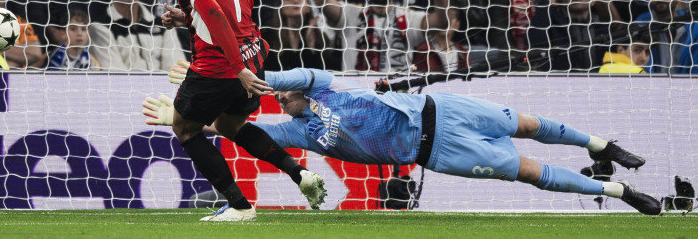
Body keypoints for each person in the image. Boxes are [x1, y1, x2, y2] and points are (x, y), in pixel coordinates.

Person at [144, 65, 662, 216]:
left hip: (442, 108)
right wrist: (186, 115)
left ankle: (600, 145)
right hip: (436, 152)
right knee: (527, 171)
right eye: (272, 96)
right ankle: (621, 195)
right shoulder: (299, 133)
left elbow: (285, 75)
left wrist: (228, 76)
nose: (279, 99)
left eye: (280, 92)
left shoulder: (317, 83)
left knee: (528, 123)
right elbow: (244, 134)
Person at [154, 0, 325, 221]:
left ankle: (239, 206)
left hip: (220, 64)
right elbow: (234, 8)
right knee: (231, 125)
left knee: (185, 129)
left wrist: (238, 69)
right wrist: (188, 18)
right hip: (253, 50)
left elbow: (216, 15)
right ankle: (300, 174)